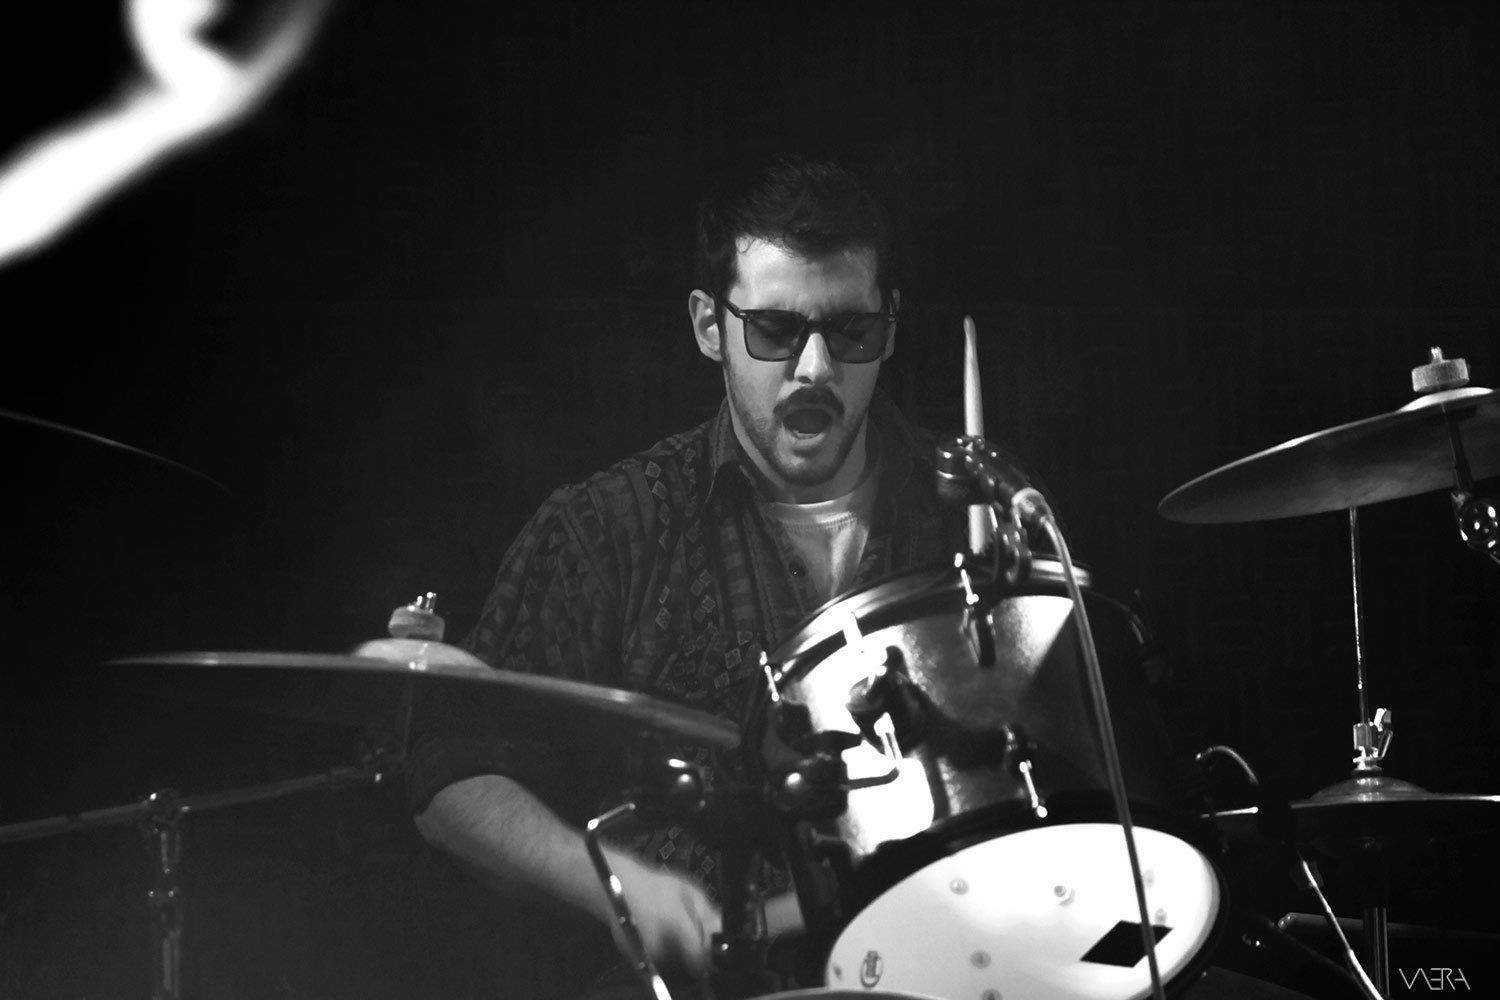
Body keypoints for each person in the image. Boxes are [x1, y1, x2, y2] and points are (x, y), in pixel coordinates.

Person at [407, 153, 975, 997]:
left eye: (850, 331)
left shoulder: (975, 513)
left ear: (889, 326)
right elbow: (450, 775)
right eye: (775, 331)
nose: (816, 369)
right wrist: (623, 888)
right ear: (710, 326)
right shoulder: (612, 527)